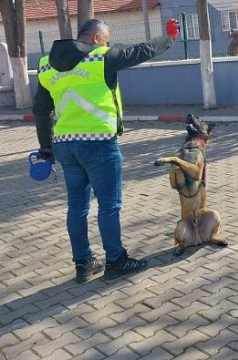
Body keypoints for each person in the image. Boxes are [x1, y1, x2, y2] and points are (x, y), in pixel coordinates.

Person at [33, 18, 180, 283]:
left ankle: (84, 263)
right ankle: (116, 261)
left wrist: (46, 147)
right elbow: (142, 50)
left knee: (76, 207)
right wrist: (169, 38)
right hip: (99, 143)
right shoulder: (102, 57)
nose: (109, 44)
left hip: (65, 145)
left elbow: (41, 110)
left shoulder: (46, 64)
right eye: (107, 39)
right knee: (109, 206)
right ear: (97, 38)